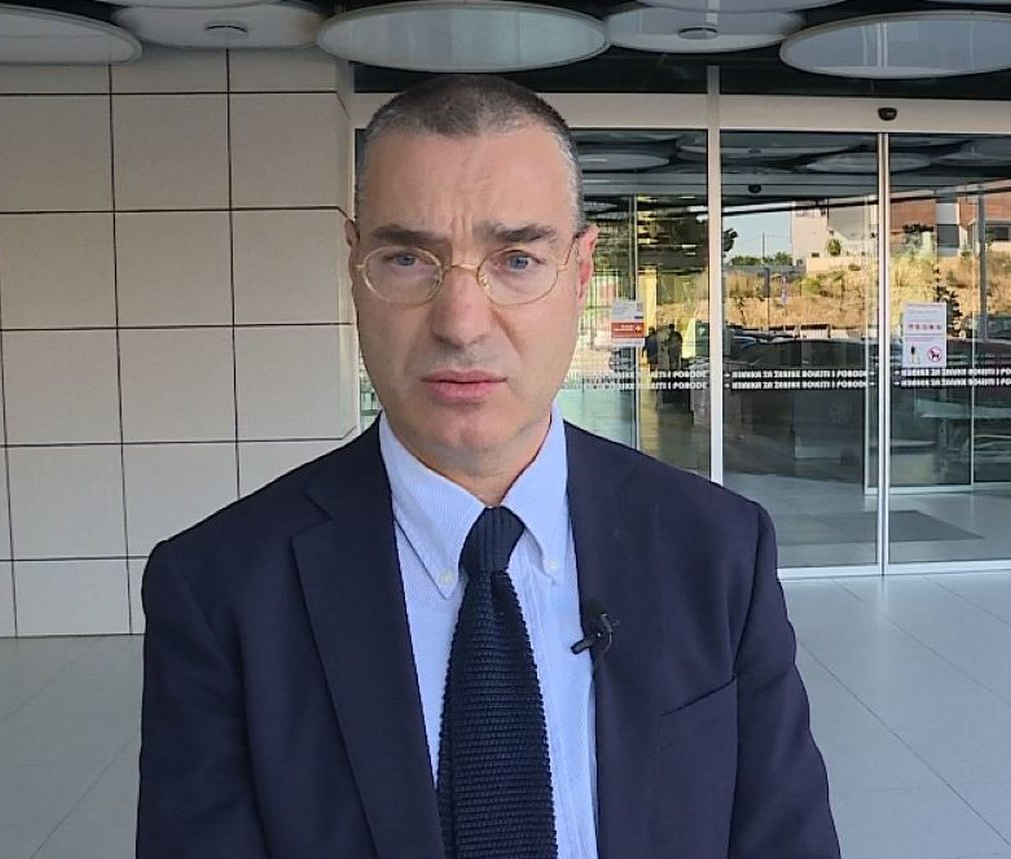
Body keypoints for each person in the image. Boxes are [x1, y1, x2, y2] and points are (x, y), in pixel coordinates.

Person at [137, 74, 838, 859]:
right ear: (354, 265)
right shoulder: (220, 588)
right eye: (408, 258)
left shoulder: (719, 549)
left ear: (580, 273)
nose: (462, 323)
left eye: (517, 259)